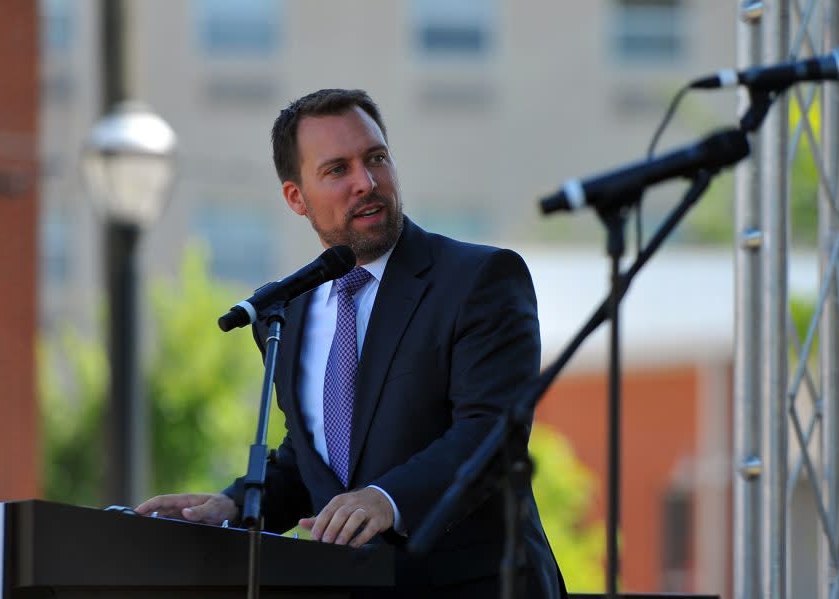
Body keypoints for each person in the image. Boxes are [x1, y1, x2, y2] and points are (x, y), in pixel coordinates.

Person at [136, 88, 565, 598]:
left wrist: (389, 498)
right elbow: (314, 461)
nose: (367, 182)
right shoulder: (286, 313)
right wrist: (234, 505)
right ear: (297, 198)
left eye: (376, 158)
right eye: (337, 170)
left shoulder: (480, 280)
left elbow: (493, 434)